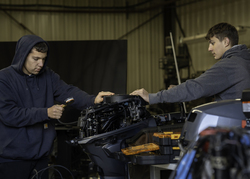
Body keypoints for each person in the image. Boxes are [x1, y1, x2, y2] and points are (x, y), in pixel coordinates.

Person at [0, 35, 114, 179]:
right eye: (36, 59)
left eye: (43, 59)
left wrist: (93, 100)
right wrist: (46, 113)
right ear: (22, 55)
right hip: (12, 160)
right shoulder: (4, 79)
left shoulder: (48, 76)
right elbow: (9, 115)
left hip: (41, 158)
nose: (41, 64)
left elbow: (68, 92)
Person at [130, 22, 250, 104]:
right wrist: (178, 89)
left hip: (234, 130)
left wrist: (152, 97)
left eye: (212, 43)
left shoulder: (229, 65)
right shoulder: (244, 60)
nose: (209, 48)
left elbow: (195, 88)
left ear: (226, 42)